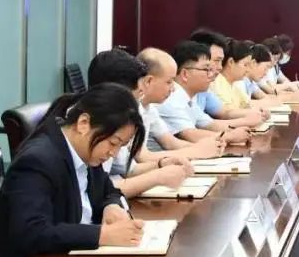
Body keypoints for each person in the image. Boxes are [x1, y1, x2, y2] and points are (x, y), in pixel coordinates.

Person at [0, 83, 147, 257]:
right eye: (113, 143)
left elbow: (109, 190)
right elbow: (31, 233)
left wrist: (112, 206)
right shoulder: (37, 161)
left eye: (120, 146)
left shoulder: (88, 152)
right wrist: (102, 234)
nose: (113, 153)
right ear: (83, 123)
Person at [86, 49, 223, 197]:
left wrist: (162, 164)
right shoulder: (96, 125)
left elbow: (128, 169)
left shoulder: (124, 114)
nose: (137, 102)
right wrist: (157, 177)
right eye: (169, 82)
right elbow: (98, 192)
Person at [158, 40, 254, 144]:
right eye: (206, 69)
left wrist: (243, 125)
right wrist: (230, 136)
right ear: (185, 74)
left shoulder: (189, 99)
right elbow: (190, 134)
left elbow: (211, 124)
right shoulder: (171, 97)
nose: (211, 74)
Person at [189, 28, 267, 124]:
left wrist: (258, 114)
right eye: (216, 61)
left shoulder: (204, 89)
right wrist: (245, 121)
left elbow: (225, 113)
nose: (220, 67)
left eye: (221, 61)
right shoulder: (215, 83)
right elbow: (202, 127)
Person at [210, 39, 257, 111]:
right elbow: (228, 112)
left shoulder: (235, 85)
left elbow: (248, 105)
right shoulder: (216, 83)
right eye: (245, 65)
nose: (248, 70)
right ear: (231, 62)